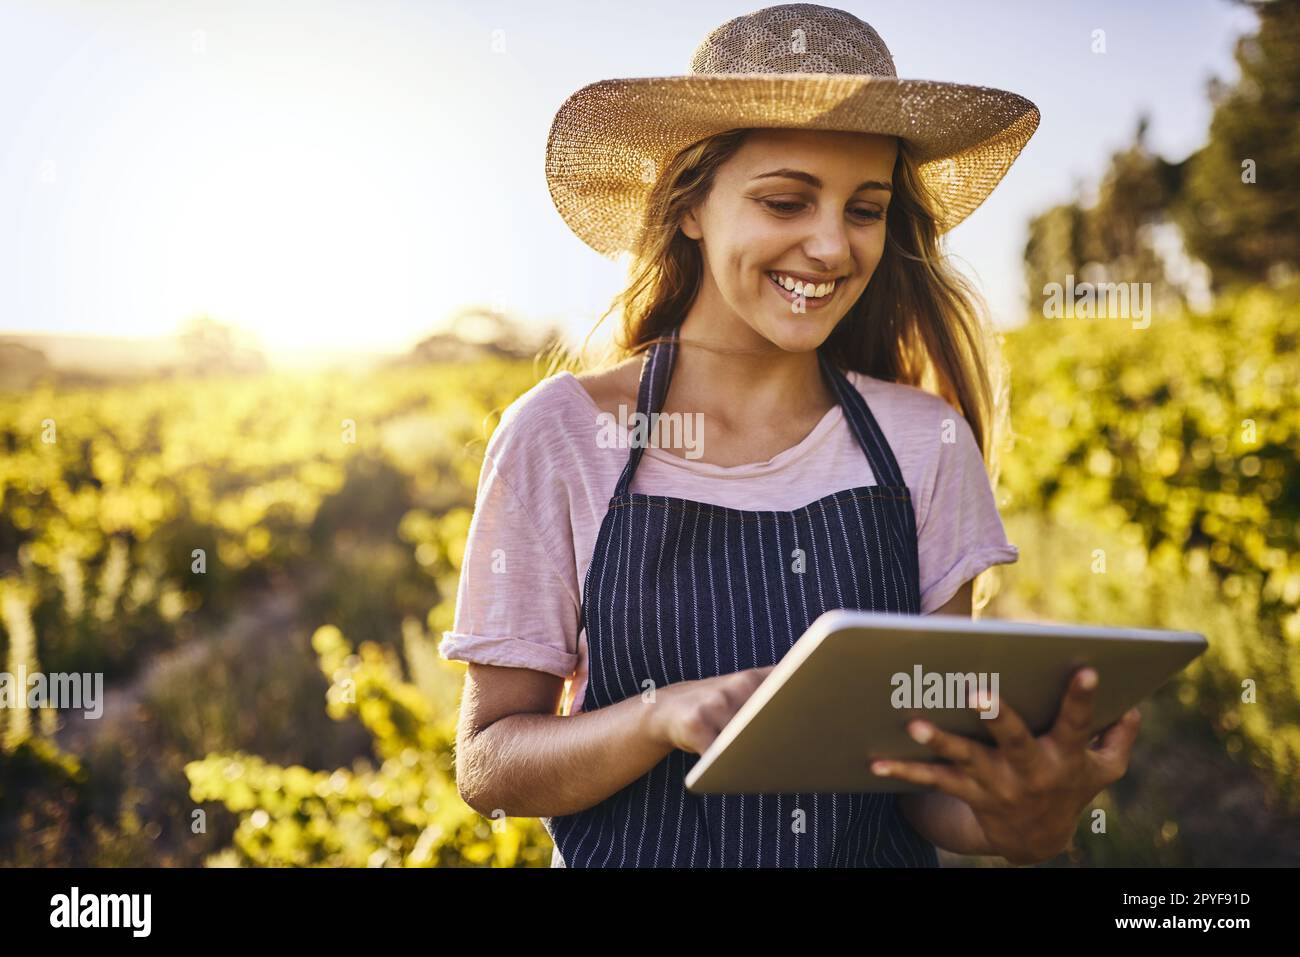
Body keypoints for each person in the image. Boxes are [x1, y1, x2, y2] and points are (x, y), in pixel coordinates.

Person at [440, 2, 1141, 868]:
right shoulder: (562, 434)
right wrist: (656, 718)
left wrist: (1027, 824)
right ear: (690, 206)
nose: (830, 246)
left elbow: (923, 788)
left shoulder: (925, 442)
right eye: (785, 199)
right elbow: (490, 763)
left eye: (865, 209)